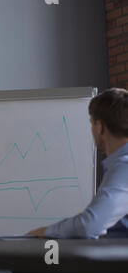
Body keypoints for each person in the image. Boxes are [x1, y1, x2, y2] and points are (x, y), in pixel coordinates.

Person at [28, 88, 128, 239]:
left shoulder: (124, 166)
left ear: (100, 127)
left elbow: (89, 225)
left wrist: (47, 231)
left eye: (91, 124)